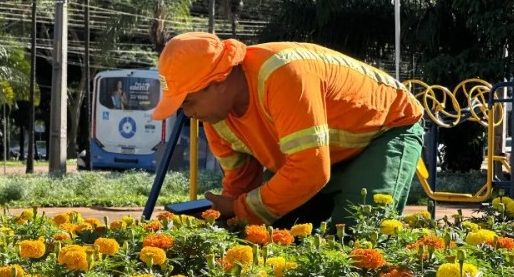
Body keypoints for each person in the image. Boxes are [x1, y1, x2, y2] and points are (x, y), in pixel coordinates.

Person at [151, 32, 424, 228]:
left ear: (219, 81)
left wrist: (241, 209)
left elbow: (310, 170)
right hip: (319, 157)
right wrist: (227, 214)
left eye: (189, 101)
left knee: (357, 234)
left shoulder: (282, 75)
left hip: (386, 127)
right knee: (268, 230)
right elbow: (240, 184)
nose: (188, 113)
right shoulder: (215, 117)